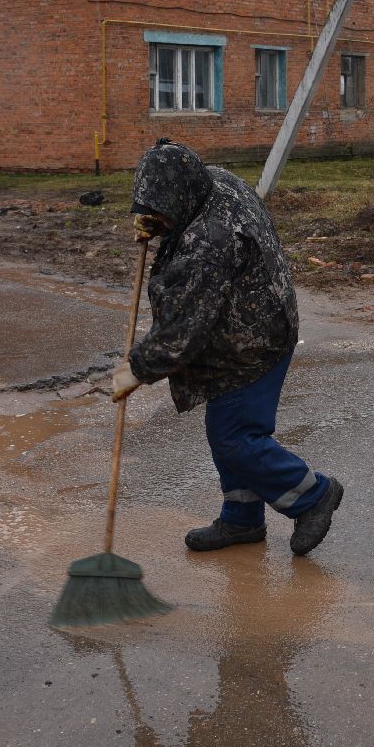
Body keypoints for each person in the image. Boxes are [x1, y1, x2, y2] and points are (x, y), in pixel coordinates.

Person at [110, 139, 344, 555]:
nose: (159, 216)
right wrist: (161, 224)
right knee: (230, 433)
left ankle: (312, 495)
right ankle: (242, 519)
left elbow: (180, 333)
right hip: (252, 320)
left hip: (252, 344)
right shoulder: (214, 182)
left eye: (162, 210)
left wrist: (138, 369)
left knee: (235, 438)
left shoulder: (209, 242)